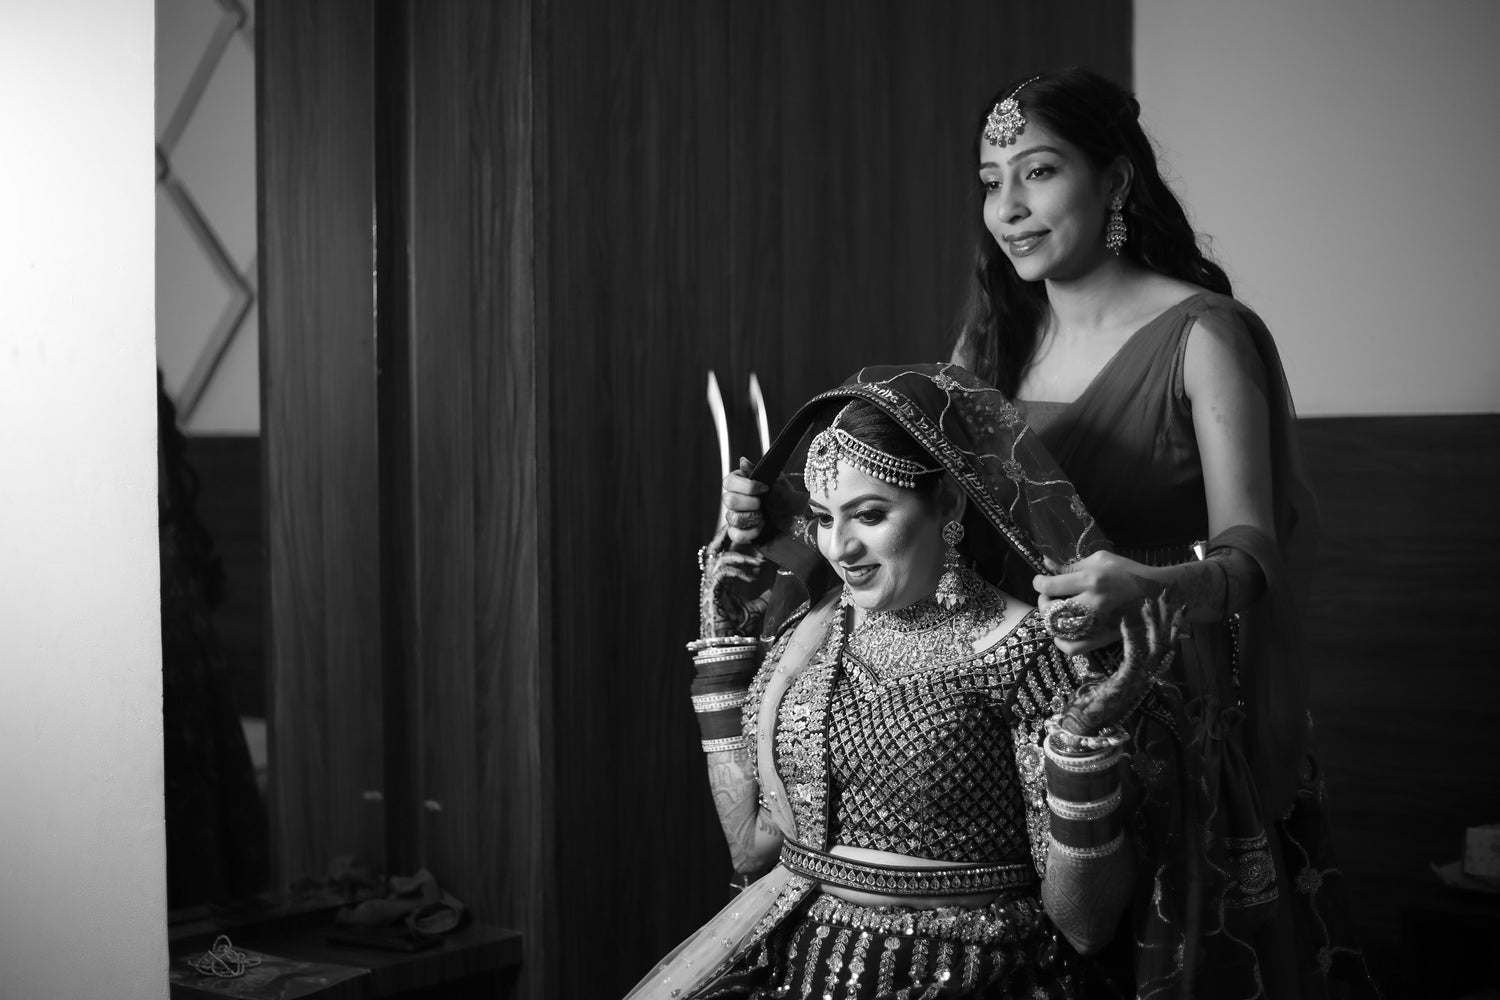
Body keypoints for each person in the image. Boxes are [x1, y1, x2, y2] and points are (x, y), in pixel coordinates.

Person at [720, 69, 1380, 998]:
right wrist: (772, 524)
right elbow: (906, 506)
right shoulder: (993, 340)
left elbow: (1254, 552)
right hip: (998, 688)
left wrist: (1151, 588)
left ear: (1116, 180)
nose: (1009, 208)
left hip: (1150, 678)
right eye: (991, 182)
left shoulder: (1204, 335)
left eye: (1038, 172)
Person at [628, 365, 1182, 1000]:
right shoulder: (810, 640)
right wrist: (722, 650)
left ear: (947, 503)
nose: (839, 547)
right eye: (823, 518)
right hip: (793, 968)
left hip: (972, 974)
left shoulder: (1024, 652)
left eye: (868, 514)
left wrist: (1079, 748)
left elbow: (1084, 927)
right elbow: (750, 849)